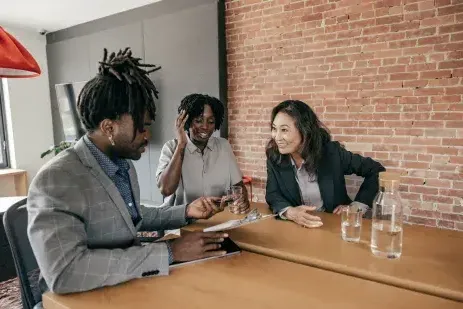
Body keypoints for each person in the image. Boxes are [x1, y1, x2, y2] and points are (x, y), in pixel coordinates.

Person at [27, 48, 228, 295]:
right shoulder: (56, 179)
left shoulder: (123, 165)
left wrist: (186, 211)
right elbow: (65, 272)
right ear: (109, 127)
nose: (148, 135)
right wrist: (169, 251)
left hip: (126, 285)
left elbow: (131, 215)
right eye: (142, 127)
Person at [265, 100, 385, 228]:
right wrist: (290, 212)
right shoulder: (275, 157)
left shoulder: (332, 153)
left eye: (284, 130)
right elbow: (273, 194)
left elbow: (377, 170)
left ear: (304, 130)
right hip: (298, 228)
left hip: (335, 225)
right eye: (274, 128)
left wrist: (357, 206)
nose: (276, 137)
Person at [156, 94, 250, 213]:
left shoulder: (223, 146)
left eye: (211, 121)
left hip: (219, 219)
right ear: (186, 121)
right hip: (182, 224)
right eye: (198, 121)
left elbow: (238, 185)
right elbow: (166, 189)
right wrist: (181, 145)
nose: (205, 127)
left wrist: (242, 198)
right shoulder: (171, 147)